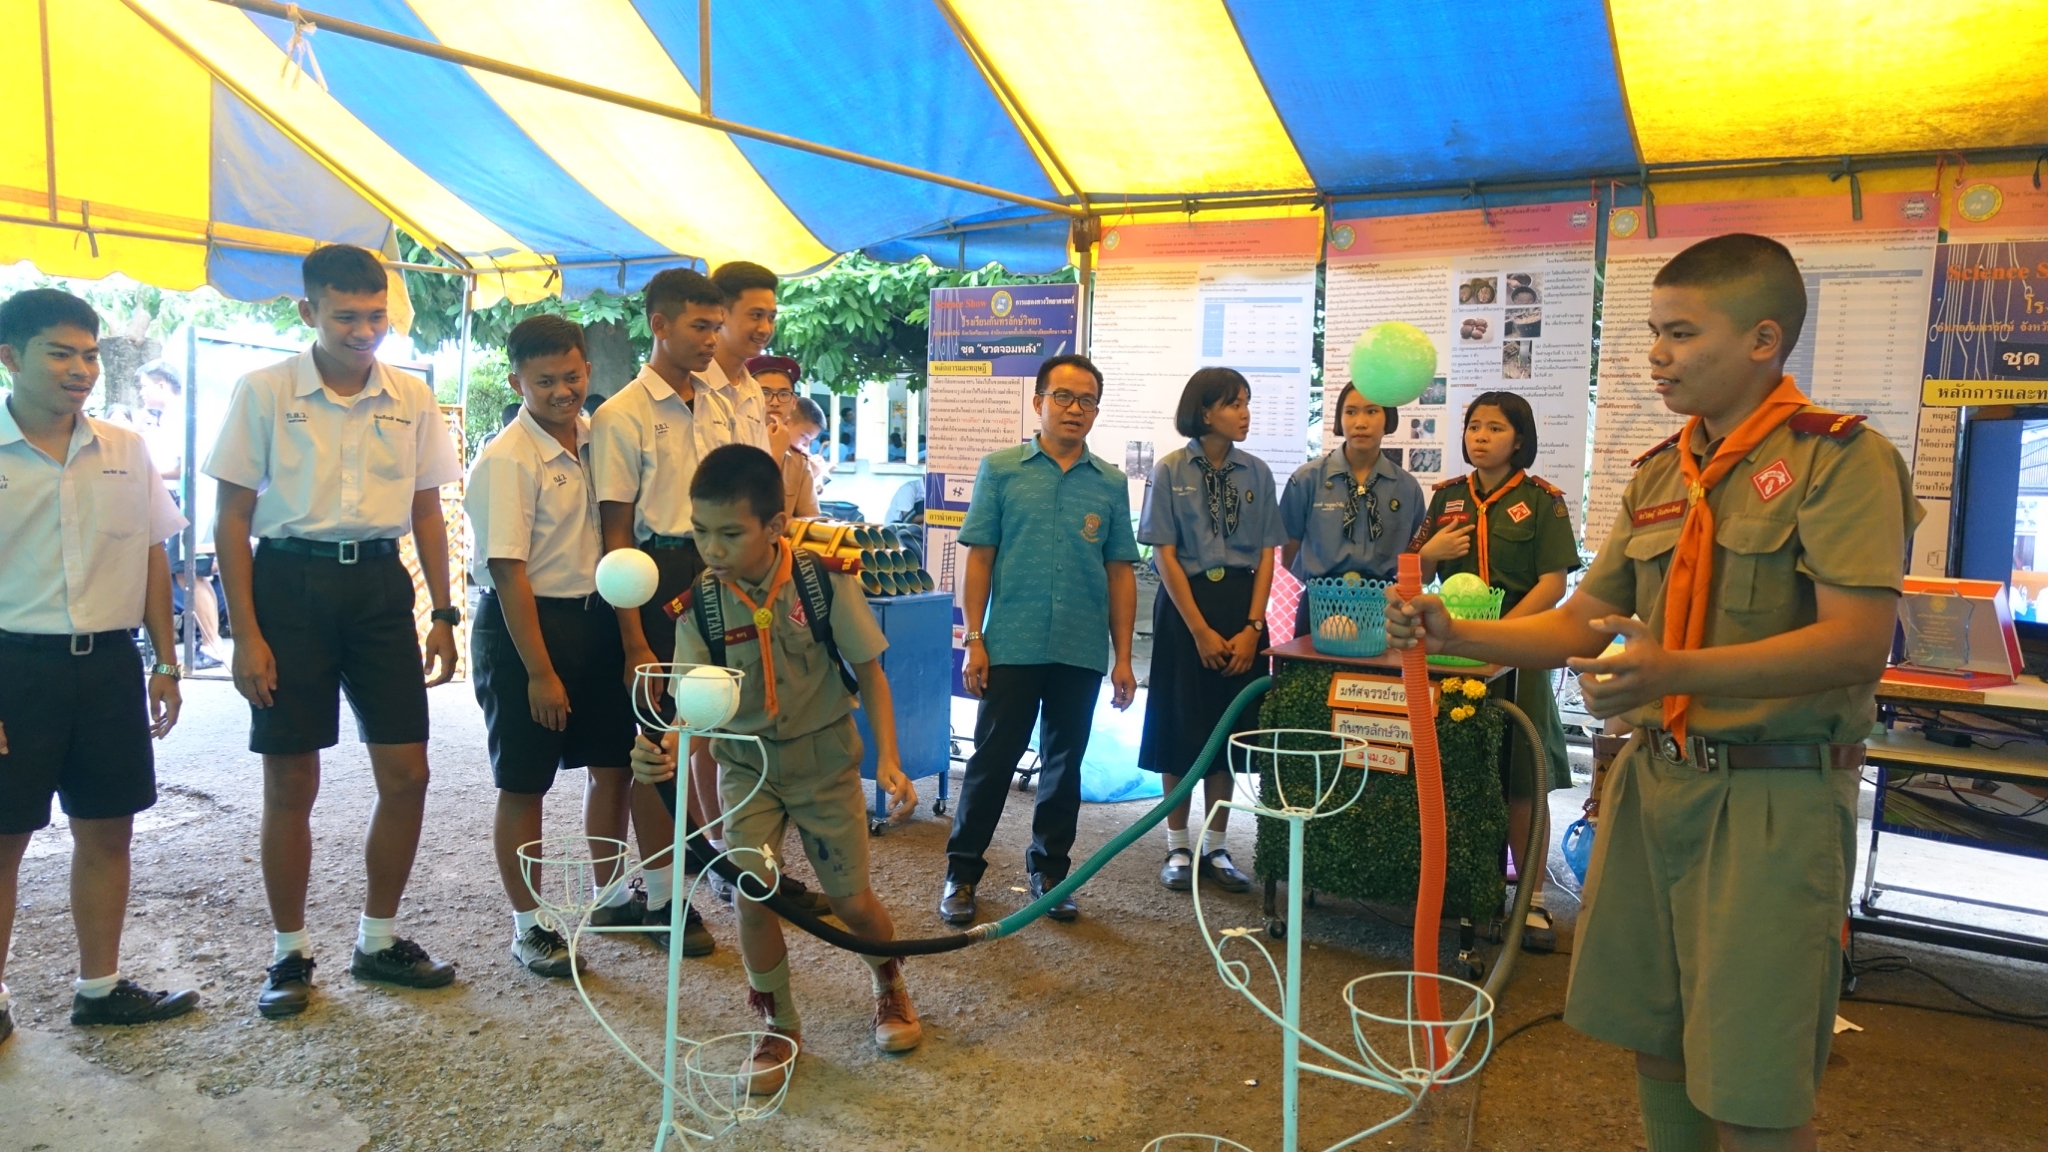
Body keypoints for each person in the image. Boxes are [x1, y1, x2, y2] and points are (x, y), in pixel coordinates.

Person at [1385, 233, 1917, 1152]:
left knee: (1751, 1077)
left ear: (1763, 340)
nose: (1657, 355)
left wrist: (1675, 671)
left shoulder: (1840, 460)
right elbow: (1579, 624)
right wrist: (1456, 633)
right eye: (1652, 333)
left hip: (1772, 796)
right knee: (1658, 1042)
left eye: (1681, 333)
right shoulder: (1663, 472)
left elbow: (1856, 644)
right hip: (1657, 785)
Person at [205, 244, 464, 1018]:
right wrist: (246, 635)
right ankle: (288, 954)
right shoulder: (263, 390)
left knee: (409, 774)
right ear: (307, 311)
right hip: (289, 584)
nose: (363, 331)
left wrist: (443, 612)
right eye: (346, 316)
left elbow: (427, 510)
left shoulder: (411, 395)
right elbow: (232, 518)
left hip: (380, 586)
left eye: (376, 316)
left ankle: (377, 940)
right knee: (291, 781)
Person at [628, 444, 922, 1095]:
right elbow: (693, 703)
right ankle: (778, 1024)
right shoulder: (699, 606)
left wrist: (890, 758)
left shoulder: (822, 582)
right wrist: (667, 745)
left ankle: (889, 982)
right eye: (700, 531)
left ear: (775, 525)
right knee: (753, 894)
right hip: (746, 768)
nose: (712, 548)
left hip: (823, 765)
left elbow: (870, 673)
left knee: (849, 902)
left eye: (730, 534)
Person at [0, 289, 199, 1042]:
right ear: (10, 358)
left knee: (109, 830)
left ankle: (101, 987)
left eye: (88, 354)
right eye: (60, 353)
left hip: (110, 665)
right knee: (4, 840)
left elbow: (151, 554)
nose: (80, 369)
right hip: (13, 668)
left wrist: (166, 661)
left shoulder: (124, 447)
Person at [464, 316, 642, 978]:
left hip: (598, 619)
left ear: (587, 370)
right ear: (517, 382)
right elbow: (508, 571)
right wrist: (539, 673)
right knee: (524, 783)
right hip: (525, 630)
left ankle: (612, 896)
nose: (563, 392)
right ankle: (530, 926)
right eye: (545, 382)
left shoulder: (599, 438)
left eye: (572, 377)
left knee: (615, 767)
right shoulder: (507, 458)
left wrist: (627, 639)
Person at [940, 354, 1139, 926]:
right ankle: (961, 873)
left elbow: (1120, 572)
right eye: (1063, 397)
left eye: (1087, 400)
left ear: (1096, 410)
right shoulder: (1001, 470)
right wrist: (974, 638)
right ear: (1038, 402)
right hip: (1012, 642)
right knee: (992, 761)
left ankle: (1051, 873)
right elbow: (980, 559)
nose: (1075, 409)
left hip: (1080, 645)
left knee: (1064, 763)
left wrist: (1124, 657)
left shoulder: (1110, 483)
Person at [588, 267, 729, 957]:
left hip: (713, 574)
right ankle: (664, 900)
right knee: (654, 745)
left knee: (697, 732)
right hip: (648, 576)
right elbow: (615, 535)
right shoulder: (621, 414)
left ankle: (686, 877)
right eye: (700, 326)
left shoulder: (719, 404)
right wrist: (632, 639)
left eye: (716, 327)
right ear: (660, 324)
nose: (712, 340)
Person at [1412, 391, 1580, 952]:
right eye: (1474, 427)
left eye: (1495, 428)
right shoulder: (1447, 497)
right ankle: (1462, 888)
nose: (1481, 437)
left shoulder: (1542, 502)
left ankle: (1532, 902)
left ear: (1519, 439)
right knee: (1457, 771)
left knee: (1522, 780)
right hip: (1452, 657)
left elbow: (1553, 585)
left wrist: (1502, 639)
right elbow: (1415, 573)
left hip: (1519, 655)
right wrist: (1431, 551)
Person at [1138, 368, 1287, 893]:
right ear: (1205, 411)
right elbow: (1163, 554)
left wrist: (1253, 626)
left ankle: (1217, 847)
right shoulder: (1169, 469)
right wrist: (1199, 629)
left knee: (1227, 730)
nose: (1245, 413)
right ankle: (1178, 846)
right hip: (1185, 608)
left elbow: (1268, 555)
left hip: (1241, 606)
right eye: (1234, 404)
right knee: (1181, 726)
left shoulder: (1257, 472)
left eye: (1247, 402)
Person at [1280, 381, 1426, 634]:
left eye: (1372, 411)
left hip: (1381, 611)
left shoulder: (1406, 487)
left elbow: (1414, 554)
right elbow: (1288, 553)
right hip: (1319, 605)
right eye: (1350, 412)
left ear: (1388, 419)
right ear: (1339, 419)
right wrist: (1327, 589)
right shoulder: (1307, 480)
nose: (1360, 422)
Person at [137, 358, 227, 667]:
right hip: (187, 504)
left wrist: (142, 469)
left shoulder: (181, 417)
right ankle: (211, 644)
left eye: (144, 386)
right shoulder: (175, 416)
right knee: (192, 574)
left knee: (189, 573)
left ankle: (212, 645)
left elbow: (182, 467)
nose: (142, 392)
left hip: (189, 505)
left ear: (162, 385)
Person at [699, 261, 777, 452]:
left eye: (771, 318)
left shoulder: (754, 392)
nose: (765, 329)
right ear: (721, 314)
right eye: (756, 315)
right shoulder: (691, 386)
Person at [745, 354, 818, 517]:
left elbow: (812, 519)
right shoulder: (730, 445)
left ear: (794, 402)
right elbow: (746, 516)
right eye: (765, 393)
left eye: (784, 394)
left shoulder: (799, 461)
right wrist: (775, 456)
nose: (775, 402)